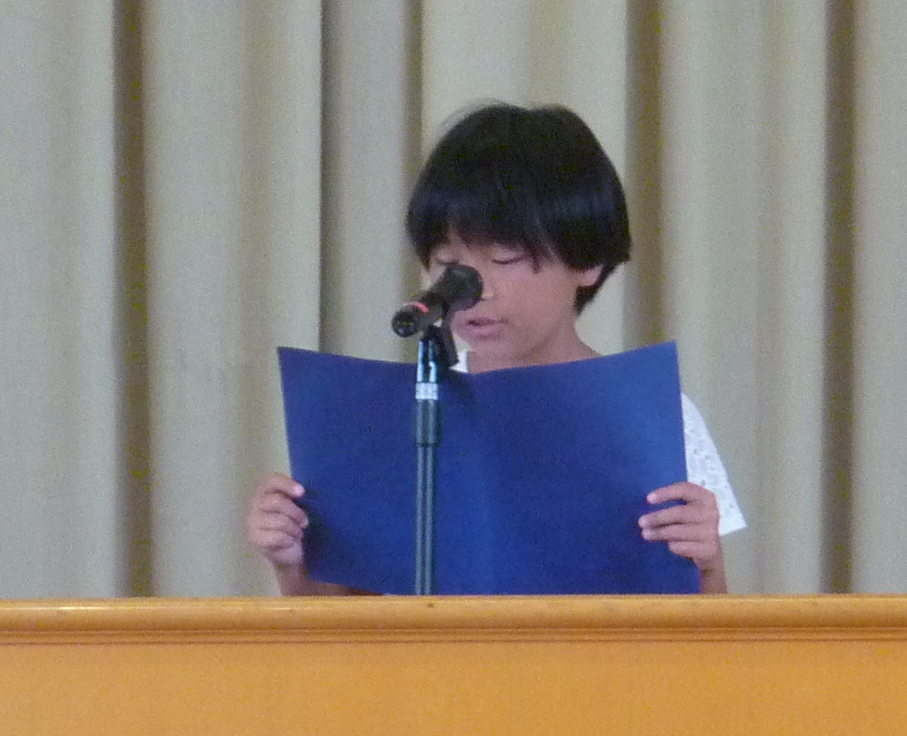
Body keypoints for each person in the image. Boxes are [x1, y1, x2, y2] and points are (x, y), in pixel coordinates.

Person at [247, 102, 745, 595]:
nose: (475, 289)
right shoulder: (403, 416)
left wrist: (705, 563)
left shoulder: (650, 416)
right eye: (448, 263)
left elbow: (708, 630)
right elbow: (349, 622)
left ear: (587, 260)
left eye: (505, 258)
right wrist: (293, 563)